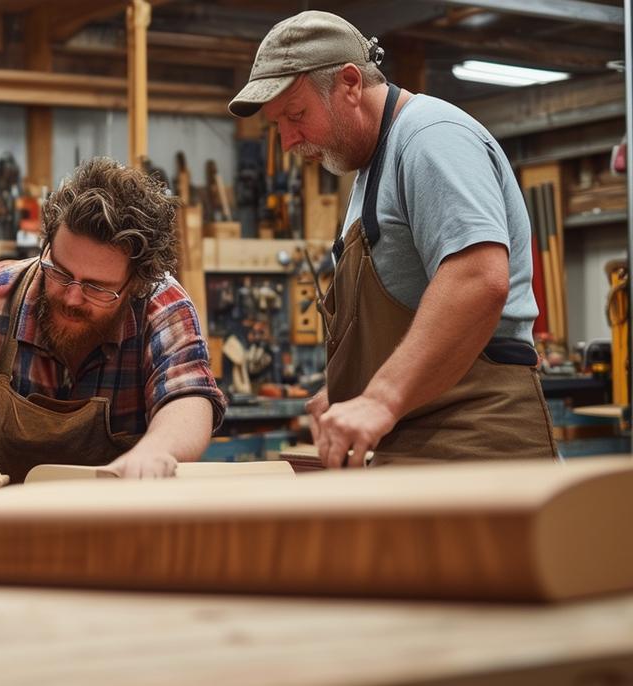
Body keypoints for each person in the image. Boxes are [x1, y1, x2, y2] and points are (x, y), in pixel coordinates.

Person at [227, 10, 556, 468]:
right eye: (277, 124)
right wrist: (353, 389)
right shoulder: (371, 171)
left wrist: (380, 399)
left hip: (475, 445)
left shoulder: (431, 139)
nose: (286, 141)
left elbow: (478, 278)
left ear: (349, 83)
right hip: (421, 440)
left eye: (296, 115)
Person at [0, 157, 227, 492]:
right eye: (60, 271)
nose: (72, 298)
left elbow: (187, 397)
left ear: (135, 283)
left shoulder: (160, 305)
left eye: (96, 287)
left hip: (119, 529)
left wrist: (156, 451)